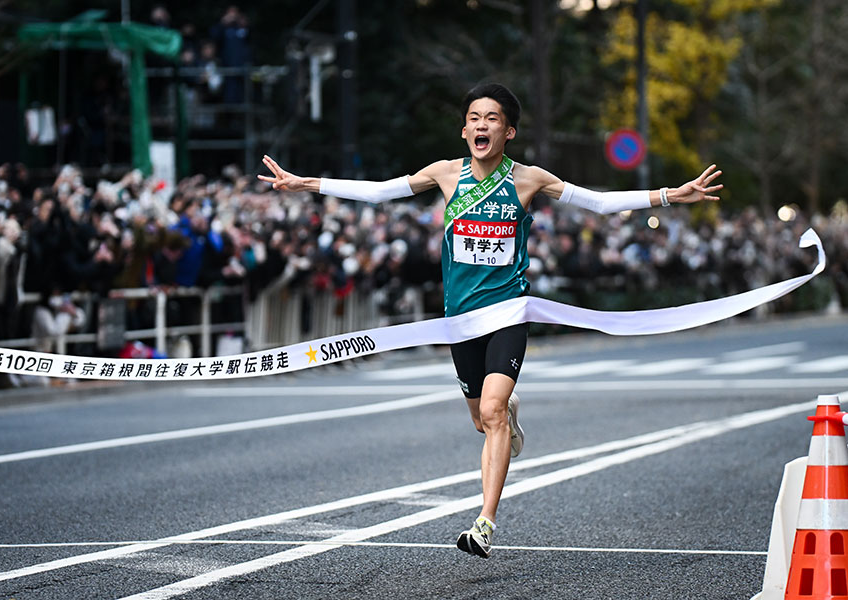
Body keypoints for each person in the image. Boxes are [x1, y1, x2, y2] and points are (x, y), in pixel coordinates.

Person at [258, 82, 723, 559]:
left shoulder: (528, 179)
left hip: (508, 312)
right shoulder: (444, 173)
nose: (482, 125)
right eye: (475, 118)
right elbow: (380, 194)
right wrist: (305, 183)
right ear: (464, 130)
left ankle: (485, 522)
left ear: (509, 131)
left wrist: (671, 195)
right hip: (459, 320)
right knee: (481, 419)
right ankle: (507, 415)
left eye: (493, 119)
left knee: (493, 411)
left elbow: (598, 203)